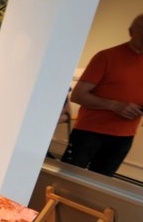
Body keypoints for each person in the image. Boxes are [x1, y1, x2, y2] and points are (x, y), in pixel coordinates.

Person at [61, 13, 143, 176]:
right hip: (89, 133)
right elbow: (77, 95)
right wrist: (114, 105)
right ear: (131, 32)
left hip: (124, 136)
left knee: (99, 183)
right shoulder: (106, 57)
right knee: (68, 178)